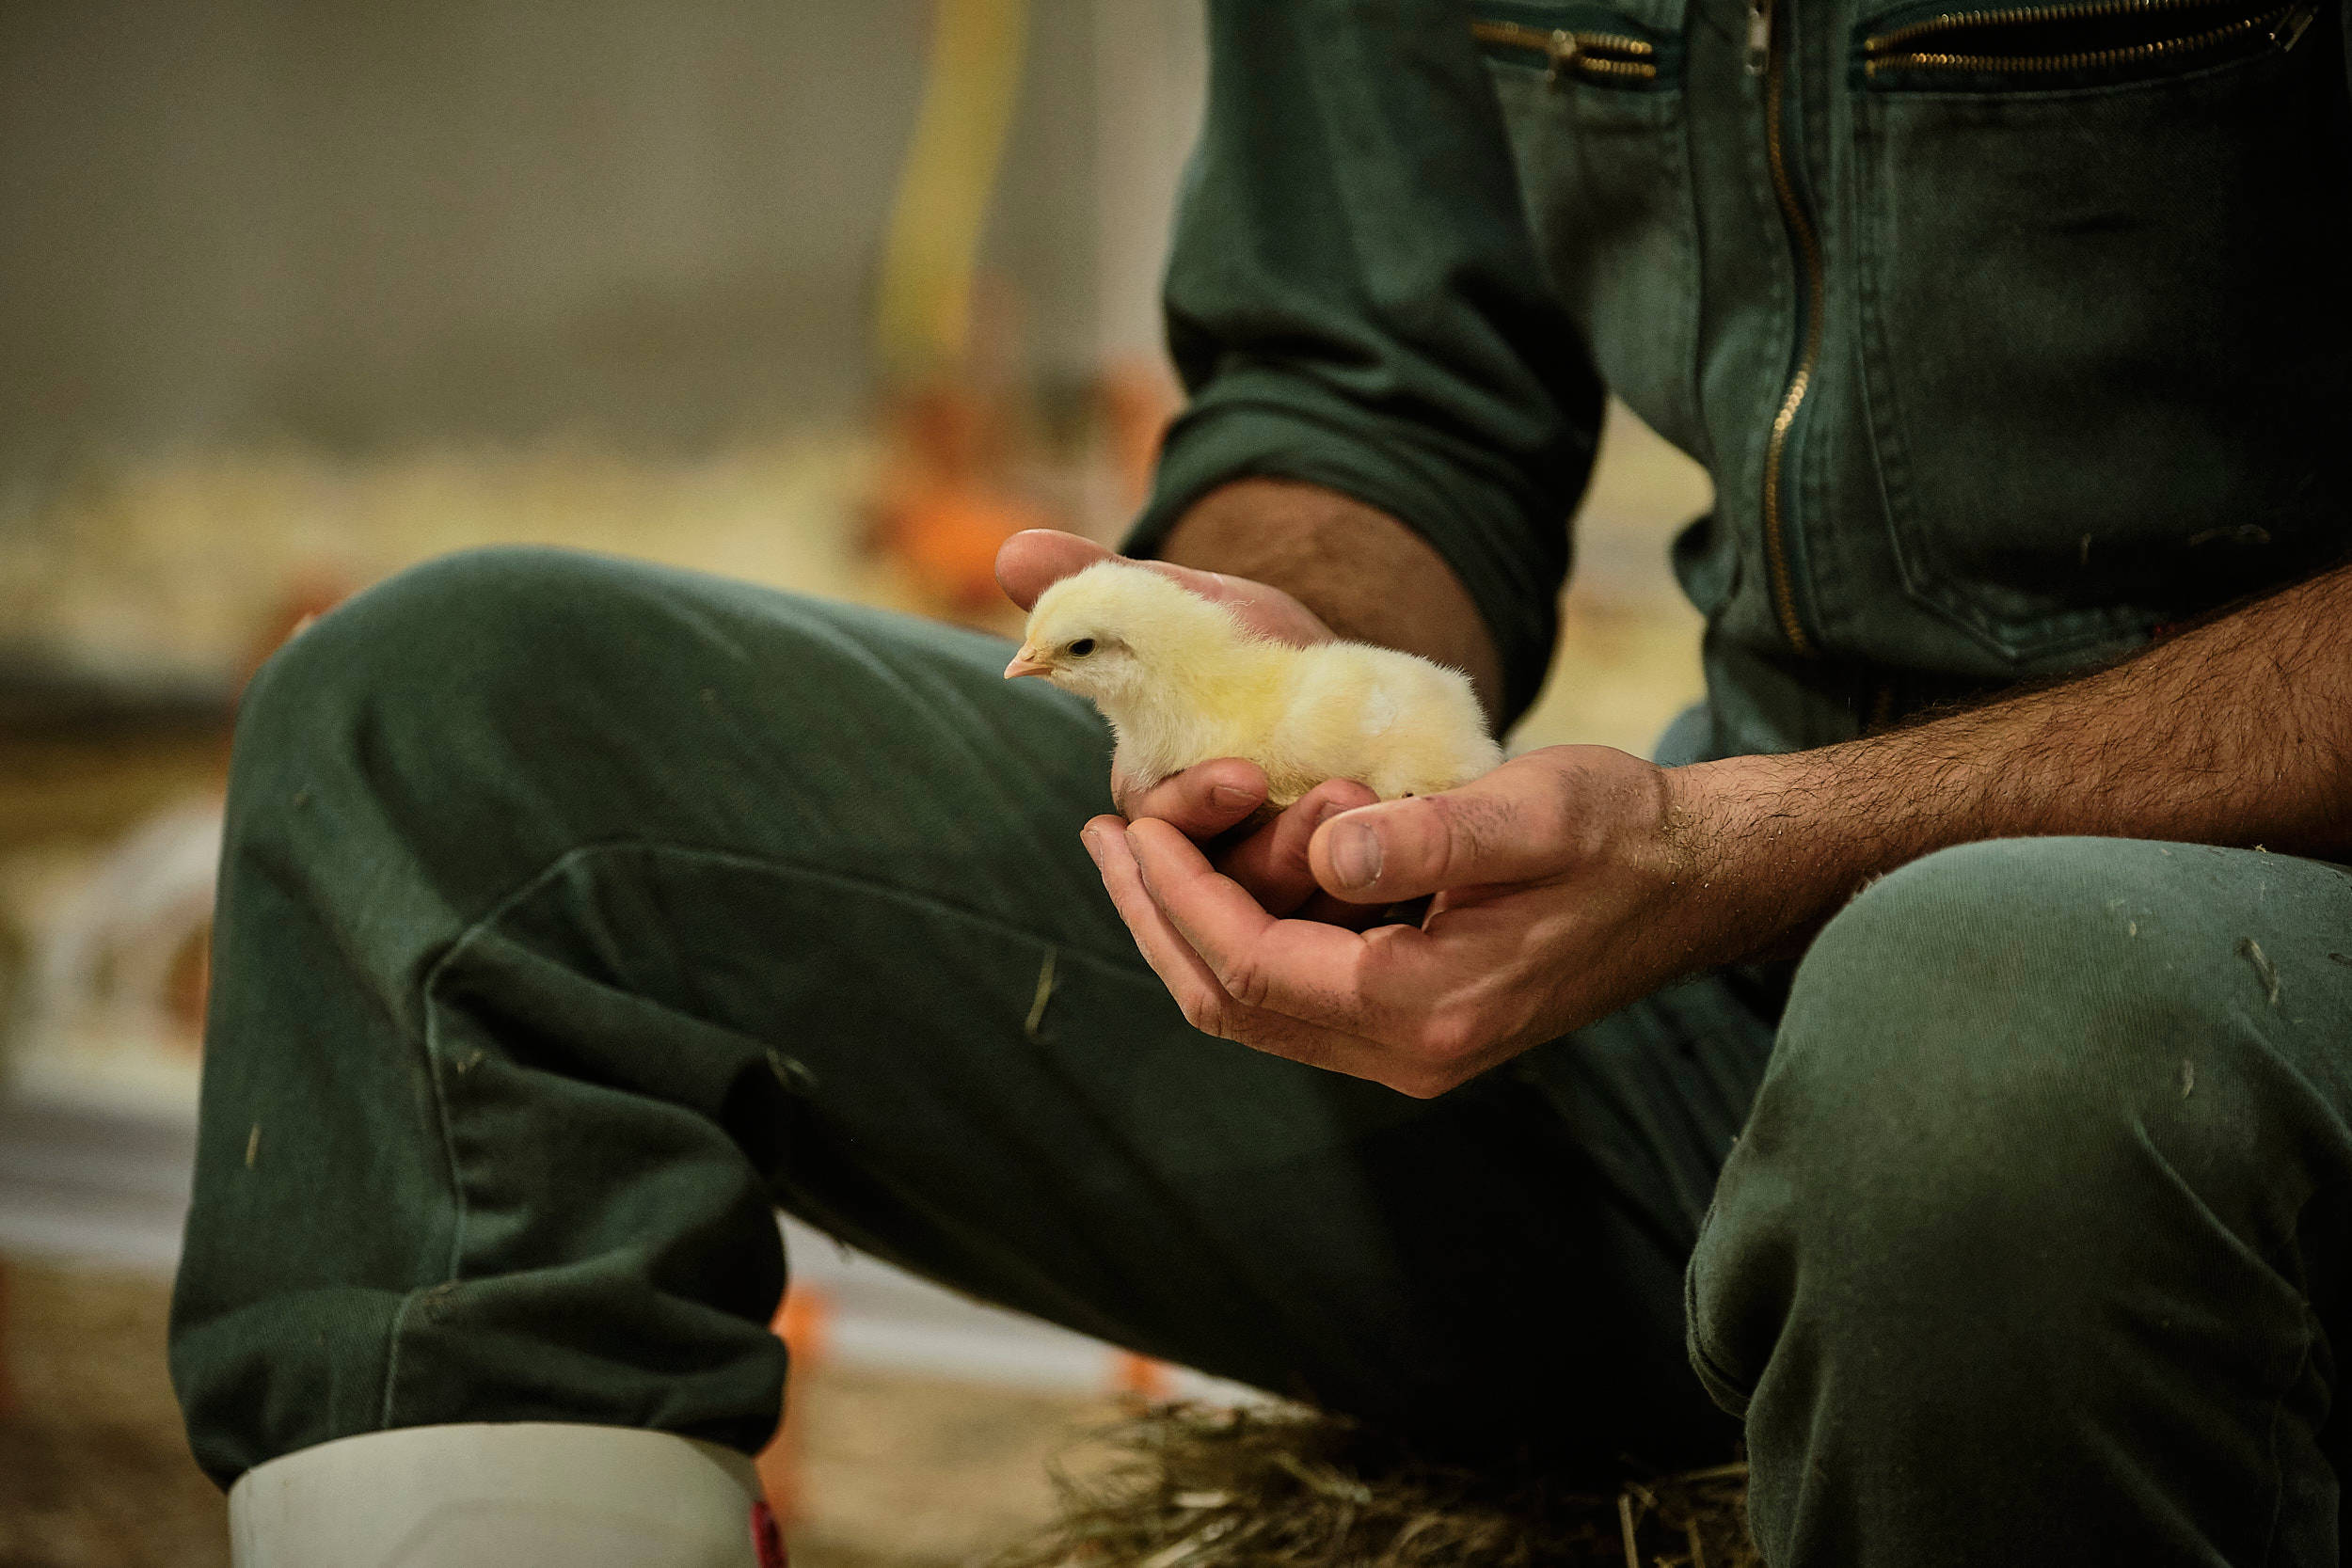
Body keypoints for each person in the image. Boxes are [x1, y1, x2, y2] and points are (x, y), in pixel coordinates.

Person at [171, 2, 2352, 1563]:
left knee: (1974, 1036)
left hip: (2165, 1000)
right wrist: (1250, 665)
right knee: (444, 733)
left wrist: (1752, 847)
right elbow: (1366, 375)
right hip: (1737, 983)